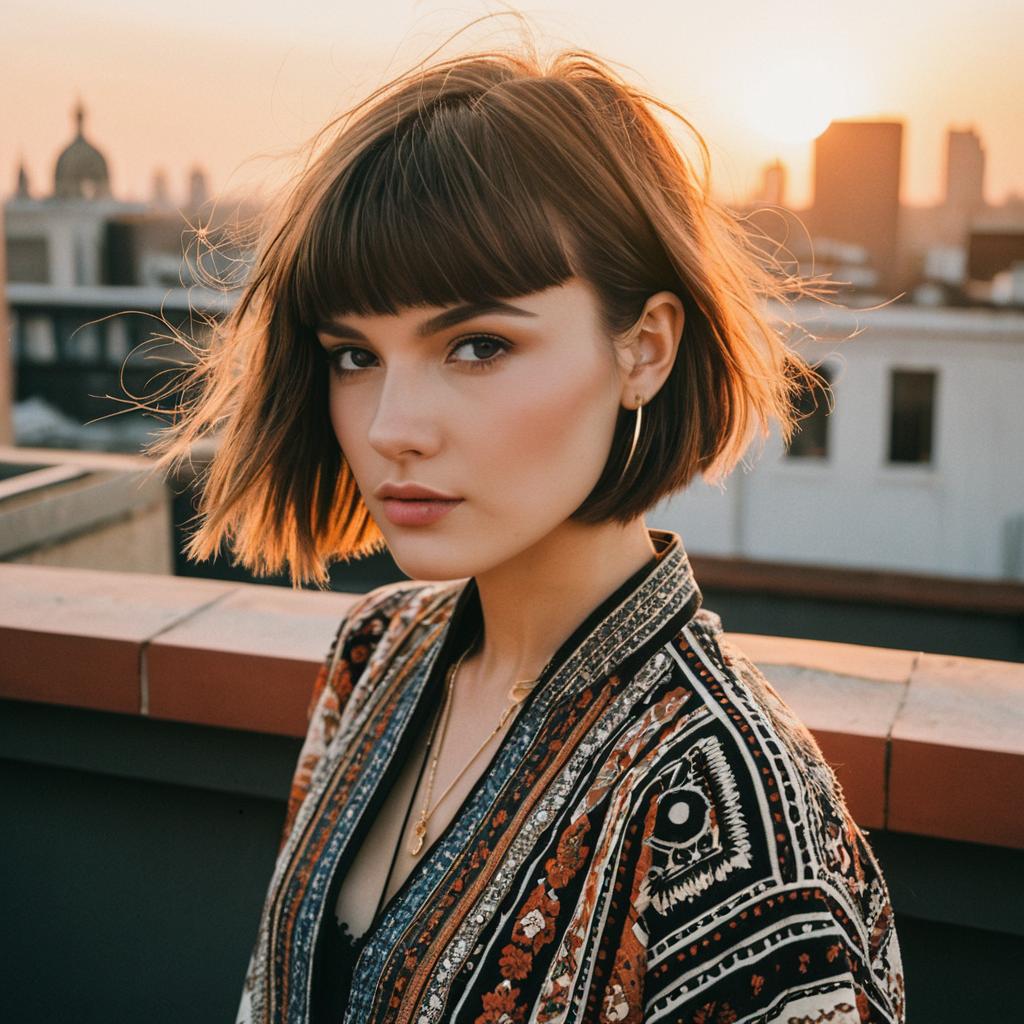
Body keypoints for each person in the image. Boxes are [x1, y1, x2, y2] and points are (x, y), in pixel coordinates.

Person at [149, 27, 905, 1024]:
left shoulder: (726, 800)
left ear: (643, 349)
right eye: (351, 354)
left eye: (476, 344)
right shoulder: (375, 651)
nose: (389, 429)